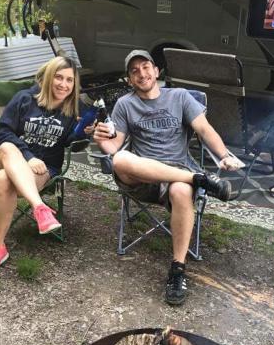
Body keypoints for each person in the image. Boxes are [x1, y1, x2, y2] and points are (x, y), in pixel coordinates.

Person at [93, 50, 242, 306]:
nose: (142, 73)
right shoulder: (125, 104)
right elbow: (114, 148)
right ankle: (199, 178)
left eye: (146, 67)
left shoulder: (180, 97)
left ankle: (178, 270)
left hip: (176, 174)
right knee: (120, 160)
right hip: (143, 177)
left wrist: (223, 155)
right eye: (134, 71)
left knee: (181, 191)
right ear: (129, 80)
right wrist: (100, 139)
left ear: (156, 71)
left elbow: (205, 129)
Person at [0, 56, 92, 276]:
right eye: (58, 77)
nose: (63, 85)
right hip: (0, 160)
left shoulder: (76, 110)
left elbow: (69, 145)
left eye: (69, 80)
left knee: (5, 179)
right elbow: (3, 133)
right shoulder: (24, 99)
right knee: (8, 148)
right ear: (48, 77)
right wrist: (28, 157)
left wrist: (83, 135)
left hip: (41, 170)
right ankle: (40, 208)